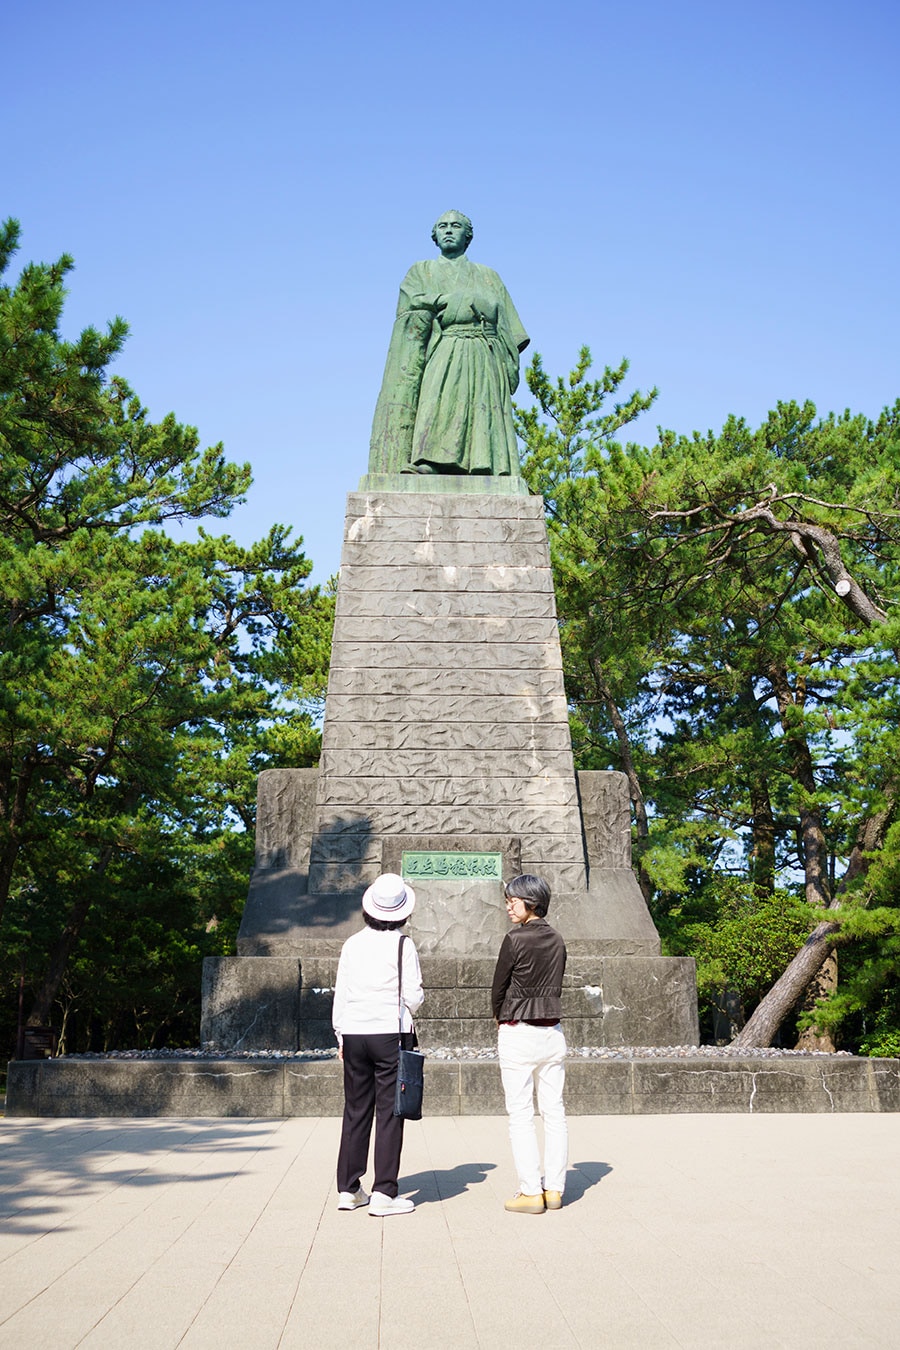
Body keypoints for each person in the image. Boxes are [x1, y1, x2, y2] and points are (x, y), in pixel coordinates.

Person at [368, 210, 529, 476]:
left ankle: (484, 464)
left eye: (456, 226)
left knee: (481, 408)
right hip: (445, 345)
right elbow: (411, 304)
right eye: (442, 226)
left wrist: (505, 361)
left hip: (483, 350)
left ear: (468, 236)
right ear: (435, 235)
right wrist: (445, 300)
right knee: (436, 401)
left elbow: (511, 329)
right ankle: (429, 460)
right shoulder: (420, 271)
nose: (449, 230)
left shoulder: (489, 275)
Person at [332, 872, 424, 1217]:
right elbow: (414, 995)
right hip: (389, 1031)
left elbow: (342, 994)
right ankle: (384, 1192)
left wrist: (340, 1034)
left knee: (355, 1111)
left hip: (354, 1032)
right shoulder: (403, 945)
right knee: (389, 1111)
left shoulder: (352, 944)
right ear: (402, 913)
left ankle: (349, 1188)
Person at [491, 873, 568, 1214]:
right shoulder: (557, 939)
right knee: (554, 1112)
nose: (508, 905)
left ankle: (530, 1192)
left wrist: (498, 1015)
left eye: (513, 900)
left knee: (521, 1115)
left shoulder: (515, 939)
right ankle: (554, 1189)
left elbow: (499, 986)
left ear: (531, 903)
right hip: (552, 1032)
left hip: (518, 1030)